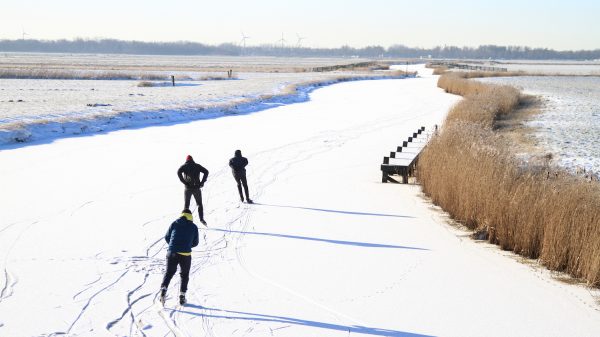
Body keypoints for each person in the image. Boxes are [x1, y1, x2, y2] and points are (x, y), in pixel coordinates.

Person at [160, 209, 199, 305]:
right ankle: (182, 296)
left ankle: (163, 289)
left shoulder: (175, 223)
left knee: (169, 273)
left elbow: (167, 237)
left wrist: (173, 246)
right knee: (184, 275)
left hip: (172, 252)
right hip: (185, 254)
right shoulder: (194, 227)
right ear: (190, 216)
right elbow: (196, 242)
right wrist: (187, 246)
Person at [177, 155, 209, 225]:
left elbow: (178, 172)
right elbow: (206, 172)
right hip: (196, 188)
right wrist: (202, 182)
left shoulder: (184, 166)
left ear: (186, 160)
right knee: (199, 204)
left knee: (186, 205)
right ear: (192, 160)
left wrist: (184, 182)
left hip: (187, 188)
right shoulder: (197, 166)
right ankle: (201, 219)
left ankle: (185, 221)